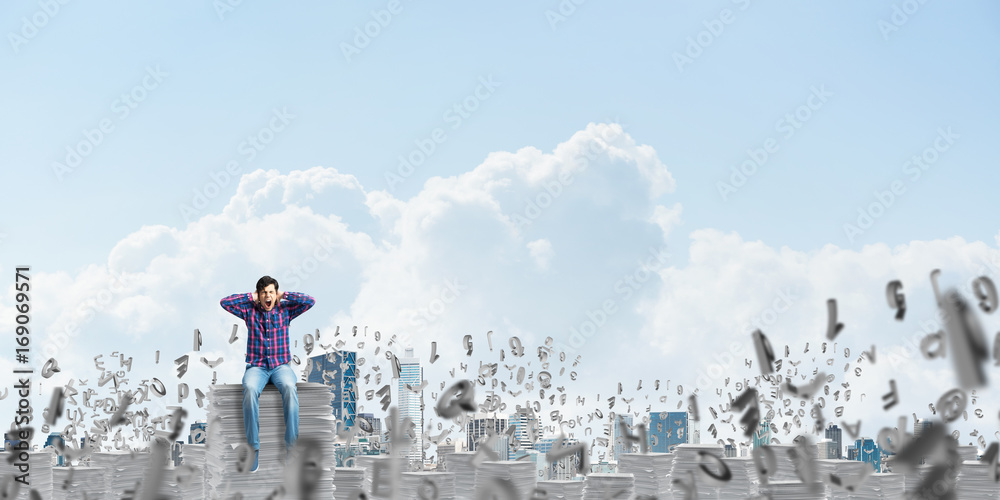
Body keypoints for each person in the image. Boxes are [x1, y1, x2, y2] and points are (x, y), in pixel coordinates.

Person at [220, 275, 315, 472]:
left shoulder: (286, 310)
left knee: (290, 387)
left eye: (271, 292)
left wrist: (284, 294)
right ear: (259, 295)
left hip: (281, 366)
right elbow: (225, 303)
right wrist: (251, 296)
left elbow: (310, 301)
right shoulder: (249, 310)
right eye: (264, 293)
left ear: (276, 294)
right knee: (250, 388)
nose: (267, 296)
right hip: (257, 366)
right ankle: (254, 448)